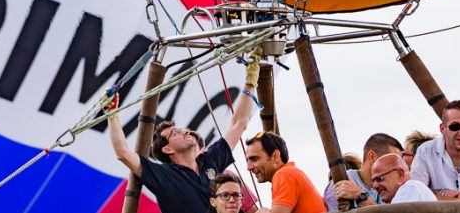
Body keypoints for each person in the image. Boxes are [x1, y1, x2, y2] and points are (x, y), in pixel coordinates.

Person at [105, 49, 262, 213]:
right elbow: (123, 153)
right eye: (176, 133)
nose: (186, 132)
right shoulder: (164, 175)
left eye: (182, 130)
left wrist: (251, 80)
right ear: (167, 149)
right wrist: (112, 114)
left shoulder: (209, 160)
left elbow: (239, 123)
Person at [245, 131, 325, 213]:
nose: (248, 167)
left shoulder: (284, 175)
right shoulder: (291, 172)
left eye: (254, 159)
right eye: (247, 161)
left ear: (276, 156)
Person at [325, 133, 403, 210]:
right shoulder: (341, 183)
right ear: (372, 157)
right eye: (392, 162)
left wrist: (360, 196)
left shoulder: (384, 193)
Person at [370, 153, 436, 204]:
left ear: (400, 175)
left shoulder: (410, 188)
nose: (374, 186)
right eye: (373, 181)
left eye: (379, 178)